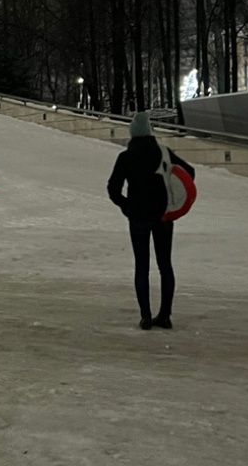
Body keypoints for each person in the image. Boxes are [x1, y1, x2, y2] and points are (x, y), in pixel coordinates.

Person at [106, 111, 195, 331]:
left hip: (137, 217)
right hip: (164, 215)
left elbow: (112, 188)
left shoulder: (125, 157)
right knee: (165, 265)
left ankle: (145, 317)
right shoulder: (163, 152)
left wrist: (126, 206)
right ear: (150, 132)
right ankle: (165, 315)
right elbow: (189, 172)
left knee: (141, 266)